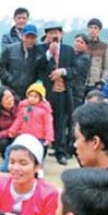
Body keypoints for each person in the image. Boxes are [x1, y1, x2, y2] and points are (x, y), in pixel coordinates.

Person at [39, 25, 75, 165]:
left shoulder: (68, 50)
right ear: (47, 36)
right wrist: (49, 53)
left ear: (62, 34)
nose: (54, 35)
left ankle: (61, 152)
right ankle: (41, 152)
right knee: (43, 123)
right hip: (45, 92)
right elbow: (36, 66)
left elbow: (74, 70)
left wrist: (63, 72)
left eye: (56, 33)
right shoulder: (40, 49)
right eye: (51, 33)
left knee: (60, 123)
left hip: (62, 92)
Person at [0, 24, 45, 103]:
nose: (29, 40)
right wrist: (10, 79)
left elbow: (41, 72)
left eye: (32, 37)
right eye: (27, 37)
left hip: (29, 95)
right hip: (11, 92)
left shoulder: (39, 53)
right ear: (22, 36)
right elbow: (1, 68)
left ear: (36, 39)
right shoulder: (10, 49)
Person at [7, 81, 54, 163]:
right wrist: (12, 131)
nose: (32, 98)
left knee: (38, 153)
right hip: (25, 135)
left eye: (35, 96)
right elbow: (18, 121)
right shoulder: (23, 108)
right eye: (30, 95)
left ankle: (38, 167)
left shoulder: (45, 110)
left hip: (39, 137)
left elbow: (48, 125)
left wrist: (49, 137)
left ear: (41, 98)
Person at [85, 18, 108, 92]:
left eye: (95, 28)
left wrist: (102, 81)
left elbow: (107, 67)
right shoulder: (83, 44)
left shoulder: (104, 46)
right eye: (91, 27)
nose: (93, 30)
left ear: (99, 30)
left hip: (96, 84)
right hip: (82, 83)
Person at [70, 33, 91, 110]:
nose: (78, 44)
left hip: (76, 93)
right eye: (77, 41)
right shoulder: (71, 54)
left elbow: (75, 68)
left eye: (81, 42)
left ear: (86, 46)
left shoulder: (85, 58)